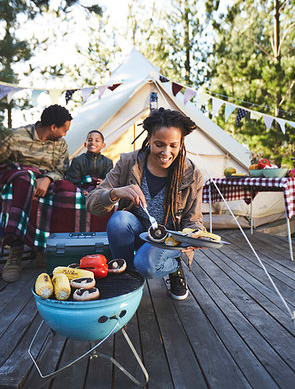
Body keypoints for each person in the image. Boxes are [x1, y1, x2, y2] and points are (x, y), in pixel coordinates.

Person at [86, 107, 205, 300]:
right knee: (119, 220)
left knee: (145, 265)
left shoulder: (191, 174)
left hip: (168, 240)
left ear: (181, 142)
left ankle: (174, 268)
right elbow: (91, 203)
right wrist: (115, 193)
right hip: (137, 231)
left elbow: (194, 221)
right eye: (159, 144)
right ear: (148, 138)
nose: (166, 152)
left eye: (173, 145)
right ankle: (127, 278)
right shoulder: (128, 162)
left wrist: (194, 236)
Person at [0, 104, 72, 282]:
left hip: (46, 181)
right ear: (53, 127)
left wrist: (47, 178)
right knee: (25, 181)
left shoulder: (61, 144)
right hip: (18, 179)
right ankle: (14, 249)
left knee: (71, 194)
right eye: (64, 130)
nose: (65, 134)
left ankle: (43, 247)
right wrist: (28, 175)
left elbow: (62, 170)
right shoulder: (15, 136)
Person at [65, 130, 113, 194]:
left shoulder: (108, 162)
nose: (93, 143)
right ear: (85, 144)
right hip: (82, 191)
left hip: (100, 191)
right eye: (90, 140)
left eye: (97, 140)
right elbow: (72, 181)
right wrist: (81, 190)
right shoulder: (78, 160)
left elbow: (109, 180)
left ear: (103, 145)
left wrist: (103, 183)